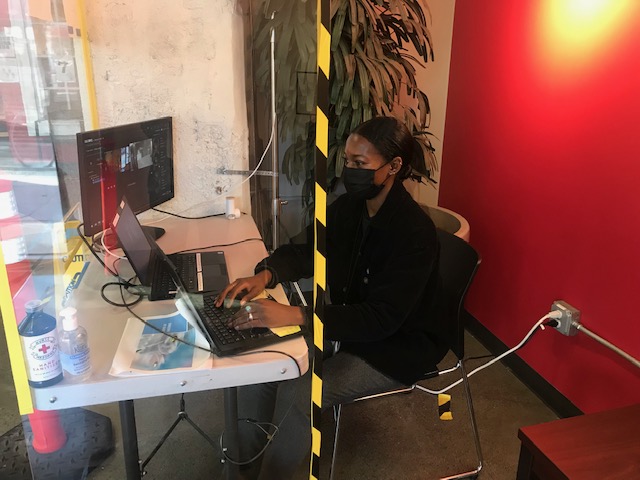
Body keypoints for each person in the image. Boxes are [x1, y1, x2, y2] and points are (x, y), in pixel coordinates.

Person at [215, 116, 449, 479]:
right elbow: (308, 249)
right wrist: (266, 275)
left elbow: (381, 319)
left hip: (396, 346)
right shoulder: (350, 208)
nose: (349, 170)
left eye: (360, 163)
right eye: (347, 160)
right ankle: (243, 471)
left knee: (302, 395)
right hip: (347, 322)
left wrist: (298, 315)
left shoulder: (414, 233)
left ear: (394, 166)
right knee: (261, 364)